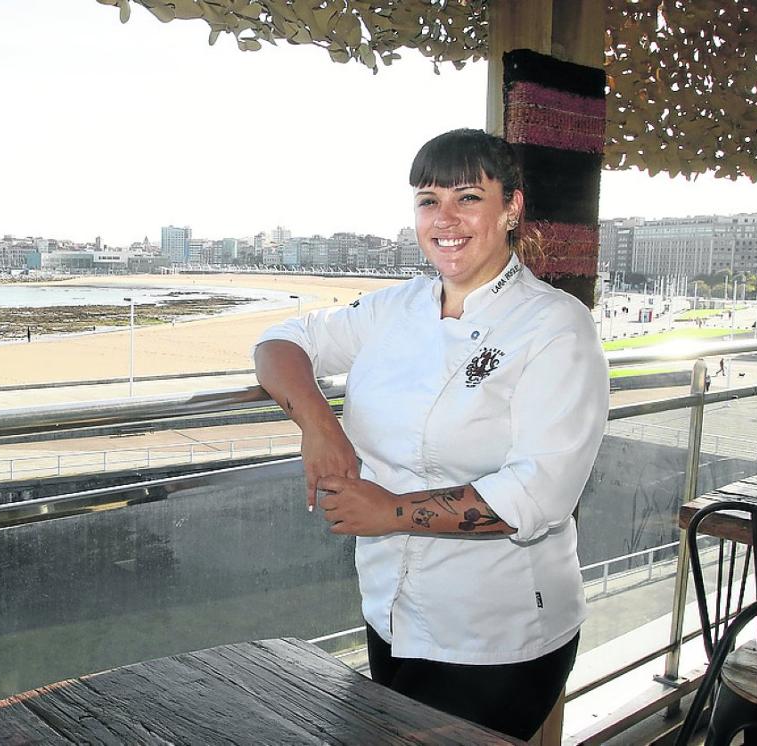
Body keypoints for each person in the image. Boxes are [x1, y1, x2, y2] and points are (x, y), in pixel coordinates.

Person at [253, 128, 608, 741]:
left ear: (511, 208)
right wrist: (319, 427)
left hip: (497, 637)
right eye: (427, 200)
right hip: (391, 612)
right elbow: (280, 342)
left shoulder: (554, 326)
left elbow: (540, 492)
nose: (445, 218)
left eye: (468, 197)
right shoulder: (397, 308)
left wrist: (389, 510)